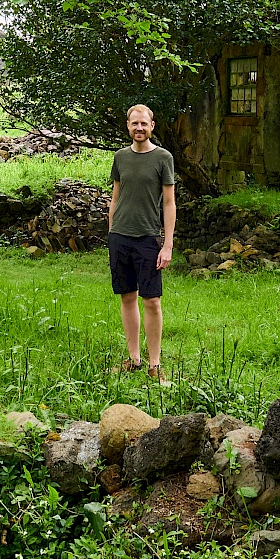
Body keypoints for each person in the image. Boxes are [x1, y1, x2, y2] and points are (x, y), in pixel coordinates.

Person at [108, 103, 175, 382]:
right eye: (134, 124)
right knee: (127, 297)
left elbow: (169, 203)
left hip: (148, 238)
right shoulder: (120, 157)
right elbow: (115, 197)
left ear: (152, 126)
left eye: (143, 124)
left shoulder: (163, 158)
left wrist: (167, 244)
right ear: (128, 126)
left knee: (152, 302)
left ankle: (155, 364)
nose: (139, 128)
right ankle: (134, 359)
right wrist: (111, 233)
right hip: (120, 237)